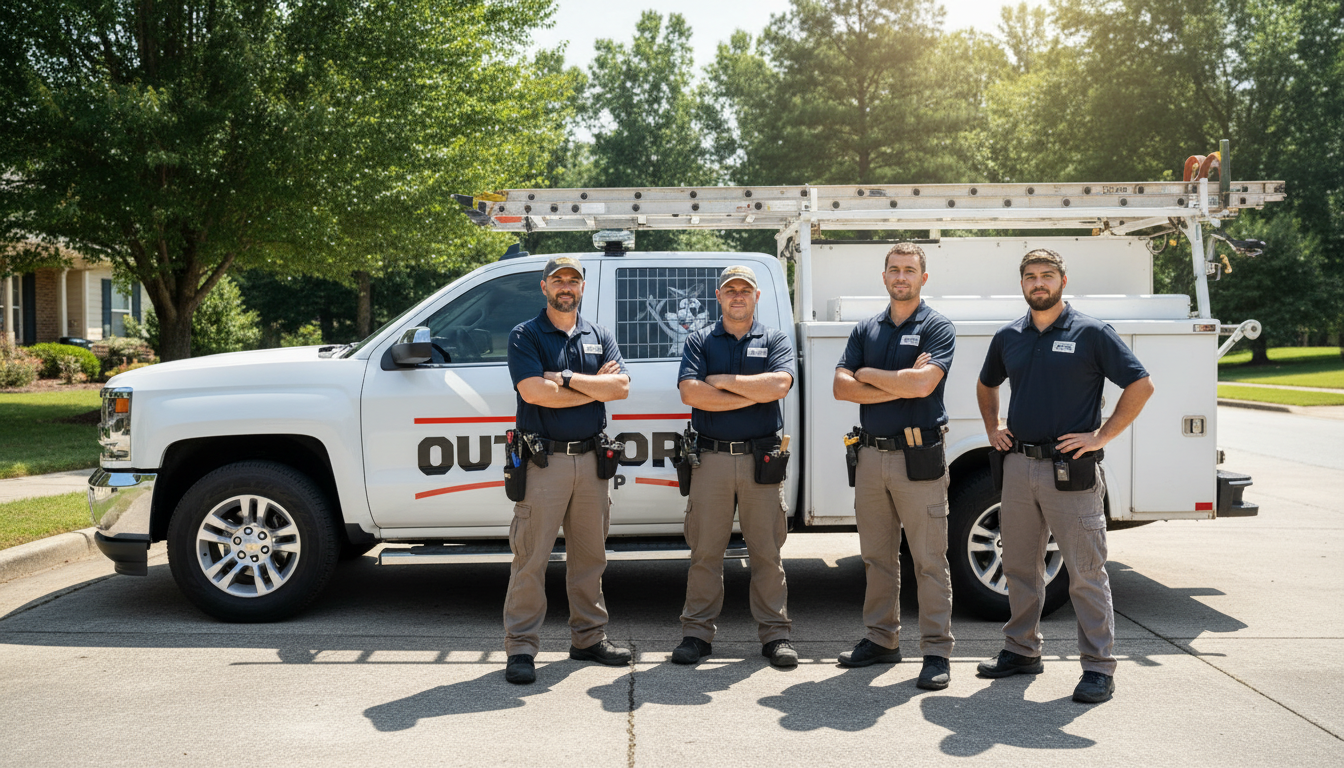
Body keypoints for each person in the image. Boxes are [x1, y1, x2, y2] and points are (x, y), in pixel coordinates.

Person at [975, 248, 1155, 704]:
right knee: (1019, 566)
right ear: (1022, 284)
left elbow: (1141, 384)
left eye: (1047, 276)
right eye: (1031, 276)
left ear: (1062, 280)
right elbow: (986, 383)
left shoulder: (1091, 332)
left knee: (1085, 572)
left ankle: (1098, 667)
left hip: (1069, 471)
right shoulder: (1009, 336)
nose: (1039, 283)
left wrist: (1101, 436)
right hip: (1018, 466)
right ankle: (1021, 650)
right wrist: (992, 426)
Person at [502, 255, 633, 685]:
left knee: (590, 557)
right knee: (531, 557)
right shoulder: (525, 334)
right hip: (544, 462)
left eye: (572, 280)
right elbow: (536, 393)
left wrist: (565, 377)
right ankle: (522, 648)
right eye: (557, 280)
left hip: (593, 462)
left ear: (582, 287)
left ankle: (588, 638)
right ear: (544, 287)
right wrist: (592, 387)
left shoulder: (599, 335)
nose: (565, 286)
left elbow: (621, 388)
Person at [833, 242, 957, 691]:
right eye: (894, 270)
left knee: (928, 560)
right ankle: (882, 639)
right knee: (876, 556)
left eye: (909, 270)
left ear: (924, 278)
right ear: (883, 276)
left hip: (918, 456)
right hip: (869, 457)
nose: (901, 277)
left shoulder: (937, 327)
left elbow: (925, 384)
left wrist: (868, 375)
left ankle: (937, 652)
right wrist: (900, 385)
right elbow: (840, 388)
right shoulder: (867, 327)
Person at [672, 265, 799, 668]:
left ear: (756, 296)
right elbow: (691, 392)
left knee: (766, 552)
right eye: (731, 290)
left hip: (762, 460)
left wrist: (722, 381)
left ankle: (775, 636)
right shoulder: (699, 339)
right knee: (705, 551)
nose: (738, 295)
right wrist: (752, 393)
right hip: (709, 459)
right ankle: (696, 634)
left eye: (745, 289)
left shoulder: (775, 339)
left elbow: (779, 386)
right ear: (719, 296)